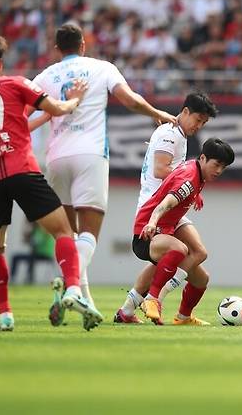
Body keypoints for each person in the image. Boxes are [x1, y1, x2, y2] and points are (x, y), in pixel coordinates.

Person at [0, 32, 102, 331]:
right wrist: (74, 97)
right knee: (64, 230)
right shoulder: (16, 83)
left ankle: (5, 315)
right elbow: (60, 109)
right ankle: (74, 289)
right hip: (21, 170)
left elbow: (3, 122)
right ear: (0, 62)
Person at [29, 23, 176, 308]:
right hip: (91, 155)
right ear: (84, 45)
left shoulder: (45, 76)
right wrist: (156, 112)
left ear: (57, 49)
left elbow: (23, 119)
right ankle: (70, 287)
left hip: (56, 158)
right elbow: (129, 100)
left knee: (66, 235)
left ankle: (83, 298)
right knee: (88, 235)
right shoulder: (102, 68)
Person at [114, 92, 218, 324]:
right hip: (158, 206)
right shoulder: (170, 134)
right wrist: (189, 184)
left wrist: (192, 190)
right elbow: (160, 170)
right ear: (185, 112)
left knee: (198, 259)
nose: (199, 126)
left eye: (204, 123)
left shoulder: (178, 133)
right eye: (198, 120)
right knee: (176, 254)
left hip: (173, 206)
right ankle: (154, 298)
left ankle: (165, 313)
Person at [132, 138, 234, 325]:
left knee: (201, 278)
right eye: (216, 164)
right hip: (146, 234)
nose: (219, 171)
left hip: (165, 229)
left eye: (224, 167)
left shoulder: (196, 173)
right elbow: (166, 204)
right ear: (203, 158)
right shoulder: (189, 179)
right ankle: (153, 298)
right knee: (179, 250)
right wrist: (152, 222)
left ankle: (183, 317)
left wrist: (196, 194)